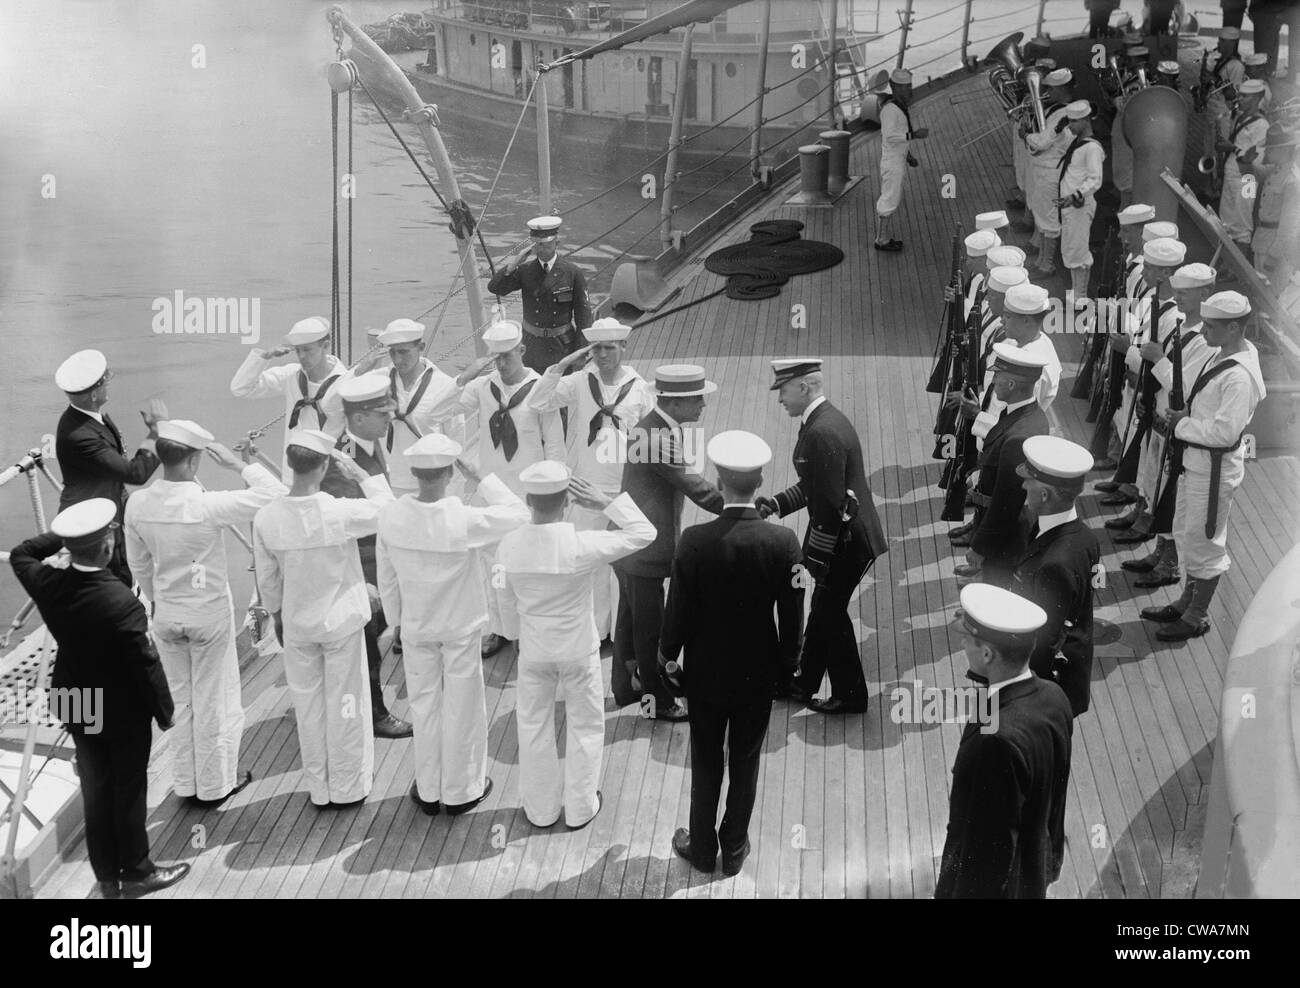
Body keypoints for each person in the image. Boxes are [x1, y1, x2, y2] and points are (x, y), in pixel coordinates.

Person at [10, 499, 187, 899]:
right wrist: (165, 712)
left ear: (73, 547)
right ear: (108, 545)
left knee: (95, 787)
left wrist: (66, 536)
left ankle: (107, 877)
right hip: (120, 710)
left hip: (76, 697)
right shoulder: (121, 601)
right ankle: (138, 872)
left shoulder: (47, 582)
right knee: (127, 789)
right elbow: (145, 664)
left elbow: (22, 553)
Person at [660, 431, 804, 876]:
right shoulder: (784, 543)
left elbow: (677, 613)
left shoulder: (693, 540)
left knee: (705, 762)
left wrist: (670, 662)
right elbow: (793, 617)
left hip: (704, 675)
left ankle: (701, 849)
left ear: (719, 481)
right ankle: (735, 848)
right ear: (760, 480)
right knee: (746, 761)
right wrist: (786, 669)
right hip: (756, 676)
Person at [124, 419, 286, 804]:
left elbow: (140, 565)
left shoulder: (136, 503)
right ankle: (214, 786)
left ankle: (185, 783)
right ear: (195, 460)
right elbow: (277, 495)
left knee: (181, 702)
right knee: (216, 701)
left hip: (165, 615)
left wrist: (157, 598)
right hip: (207, 615)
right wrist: (238, 465)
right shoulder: (207, 505)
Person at [496, 461, 656, 828]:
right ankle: (581, 807)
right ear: (567, 502)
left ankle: (540, 810)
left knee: (533, 726)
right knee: (585, 725)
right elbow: (644, 533)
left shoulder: (508, 546)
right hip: (578, 649)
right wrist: (605, 503)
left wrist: (516, 634)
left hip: (534, 649)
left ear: (528, 499)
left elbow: (503, 599)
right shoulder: (581, 544)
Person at [376, 434, 530, 816]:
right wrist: (482, 479)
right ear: (449, 473)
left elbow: (387, 577)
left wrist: (395, 623)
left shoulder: (391, 516)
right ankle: (461, 790)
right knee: (463, 707)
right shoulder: (465, 518)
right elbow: (520, 514)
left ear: (413, 472)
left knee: (424, 707)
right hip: (460, 628)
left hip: (415, 626)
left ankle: (428, 790)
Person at [252, 428, 396, 807]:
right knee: (347, 704)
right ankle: (348, 787)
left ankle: (319, 787)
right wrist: (361, 474)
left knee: (310, 709)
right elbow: (387, 509)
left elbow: (268, 579)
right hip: (340, 624)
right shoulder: (337, 511)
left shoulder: (266, 518)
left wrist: (278, 614)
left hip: (298, 625)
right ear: (325, 465)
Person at [758, 359, 888, 714]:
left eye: (783, 391)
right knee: (825, 610)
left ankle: (851, 695)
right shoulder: (821, 421)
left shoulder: (821, 432)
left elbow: (830, 506)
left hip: (847, 542)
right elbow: (815, 485)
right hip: (848, 537)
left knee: (829, 614)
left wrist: (812, 563)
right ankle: (804, 684)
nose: (780, 399)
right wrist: (776, 504)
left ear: (804, 387)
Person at [434, 319, 565, 658]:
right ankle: (500, 629)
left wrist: (555, 488)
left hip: (528, 490)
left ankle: (530, 631)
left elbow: (554, 444)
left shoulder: (541, 388)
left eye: (507, 356)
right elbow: (437, 410)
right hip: (491, 489)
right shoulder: (482, 388)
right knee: (493, 567)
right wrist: (464, 377)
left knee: (530, 565)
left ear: (521, 350)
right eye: (495, 357)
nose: (502, 363)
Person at [935, 583, 1073, 899]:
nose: (963, 648)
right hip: (1034, 866)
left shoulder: (997, 744)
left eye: (966, 641)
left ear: (987, 653)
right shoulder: (1054, 697)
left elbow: (986, 855)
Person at [1142, 291, 1266, 641]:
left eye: (1211, 326)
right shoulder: (1225, 352)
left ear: (1233, 328)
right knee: (1186, 531)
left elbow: (1224, 432)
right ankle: (1186, 600)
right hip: (1195, 463)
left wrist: (1181, 423)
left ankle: (1196, 615)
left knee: (1206, 543)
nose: (1204, 331)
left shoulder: (1239, 377)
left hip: (1212, 471)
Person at [527, 317, 655, 641]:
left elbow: (650, 444)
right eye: (596, 349)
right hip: (586, 486)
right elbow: (539, 401)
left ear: (623, 347)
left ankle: (622, 632)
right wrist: (562, 364)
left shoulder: (640, 389)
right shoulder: (581, 382)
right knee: (590, 564)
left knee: (624, 567)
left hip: (623, 489)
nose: (602, 355)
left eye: (609, 348)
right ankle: (597, 632)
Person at [611, 365, 725, 718]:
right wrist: (743, 503)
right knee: (650, 629)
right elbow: (697, 489)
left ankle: (626, 689)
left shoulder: (652, 427)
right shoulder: (658, 438)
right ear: (674, 403)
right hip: (644, 549)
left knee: (630, 619)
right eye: (697, 398)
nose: (703, 404)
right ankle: (658, 702)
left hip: (628, 541)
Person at [319, 372, 414, 739]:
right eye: (383, 414)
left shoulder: (371, 444)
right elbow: (346, 529)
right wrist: (364, 582)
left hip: (377, 559)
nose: (390, 418)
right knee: (366, 644)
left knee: (371, 639)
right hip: (360, 566)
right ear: (358, 418)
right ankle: (373, 714)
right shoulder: (343, 463)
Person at [1120, 262, 1218, 588]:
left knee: (1172, 499)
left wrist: (1159, 358)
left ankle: (1170, 564)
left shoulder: (1205, 341)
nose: (1179, 298)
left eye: (1186, 294)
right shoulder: (1179, 325)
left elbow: (1186, 387)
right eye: (1177, 292)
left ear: (1205, 294)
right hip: (1162, 422)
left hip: (1180, 427)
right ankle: (1160, 552)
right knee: (1157, 488)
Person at [53, 348, 165, 586]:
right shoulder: (80, 435)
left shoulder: (87, 418)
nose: (109, 383)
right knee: (110, 580)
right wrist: (156, 431)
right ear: (94, 395)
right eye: (106, 381)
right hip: (91, 521)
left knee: (119, 573)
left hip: (107, 506)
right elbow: (136, 473)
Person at [1013, 436, 1100, 717]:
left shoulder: (1055, 565)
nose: (1024, 485)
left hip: (1047, 686)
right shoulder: (1084, 536)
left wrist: (1018, 692)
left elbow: (1045, 641)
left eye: (1030, 481)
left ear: (1045, 494)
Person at [1107, 236, 1187, 541]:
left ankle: (1150, 519)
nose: (1145, 272)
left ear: (1166, 274)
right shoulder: (1155, 304)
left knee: (1159, 468)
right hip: (1148, 396)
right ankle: (1141, 507)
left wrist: (1129, 351)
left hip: (1163, 401)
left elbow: (1157, 361)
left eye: (1151, 268)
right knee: (1147, 461)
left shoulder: (1172, 316)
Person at [955, 339, 1051, 589]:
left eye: (997, 377)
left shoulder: (1019, 434)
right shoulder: (1024, 414)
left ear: (1011, 383)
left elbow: (1006, 505)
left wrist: (979, 547)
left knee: (996, 588)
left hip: (1005, 538)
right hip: (1002, 528)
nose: (993, 382)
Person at [352, 317, 465, 497]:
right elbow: (337, 400)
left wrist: (451, 496)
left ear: (421, 348)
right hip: (385, 482)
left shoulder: (444, 385)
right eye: (393, 353)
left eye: (404, 352)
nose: (397, 359)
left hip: (429, 485)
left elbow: (457, 441)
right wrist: (361, 369)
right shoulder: (378, 381)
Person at [229, 316, 352, 479]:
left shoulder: (347, 382)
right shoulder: (291, 376)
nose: (301, 356)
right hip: (294, 472)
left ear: (326, 346)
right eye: (297, 350)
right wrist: (265, 357)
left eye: (307, 350)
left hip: (333, 473)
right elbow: (240, 388)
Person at [486, 215, 593, 374]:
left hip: (561, 347)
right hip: (531, 347)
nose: (541, 249)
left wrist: (581, 353)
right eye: (537, 245)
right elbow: (496, 288)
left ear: (557, 243)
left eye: (546, 244)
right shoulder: (525, 270)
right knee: (531, 392)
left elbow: (583, 316)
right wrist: (514, 264)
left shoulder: (572, 272)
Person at [1025, 68, 1077, 275]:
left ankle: (1047, 265)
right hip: (1043, 170)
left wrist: (1028, 135)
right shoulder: (1058, 110)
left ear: (1062, 88)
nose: (1047, 92)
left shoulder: (1065, 114)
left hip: (1051, 173)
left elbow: (1044, 141)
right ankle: (1040, 260)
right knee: (1042, 216)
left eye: (1051, 89)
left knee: (1049, 221)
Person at [1054, 101, 1105, 310]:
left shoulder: (1091, 148)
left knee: (1078, 251)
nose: (1070, 126)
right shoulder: (1078, 142)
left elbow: (1095, 179)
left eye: (1074, 121)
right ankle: (1075, 296)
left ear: (1085, 120)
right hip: (1070, 206)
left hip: (1079, 206)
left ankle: (1081, 298)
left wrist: (1075, 195)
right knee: (1070, 248)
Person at [873, 68, 929, 252]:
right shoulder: (890, 110)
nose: (909, 91)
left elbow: (897, 139)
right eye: (905, 87)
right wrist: (915, 135)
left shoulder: (898, 105)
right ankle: (881, 239)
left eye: (910, 86)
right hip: (892, 163)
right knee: (890, 198)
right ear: (894, 87)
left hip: (897, 158)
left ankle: (883, 237)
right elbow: (890, 136)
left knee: (891, 197)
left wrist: (909, 156)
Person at [1217, 80, 1270, 260]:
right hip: (1232, 175)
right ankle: (1229, 264)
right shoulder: (1241, 117)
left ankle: (1241, 270)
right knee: (1226, 223)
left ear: (1256, 98)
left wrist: (1232, 148)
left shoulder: (1261, 126)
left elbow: (1254, 158)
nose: (1240, 99)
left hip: (1247, 179)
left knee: (1243, 224)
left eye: (1244, 96)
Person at [1254, 126, 1300, 288]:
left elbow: (1290, 226)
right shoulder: (1276, 171)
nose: (1266, 153)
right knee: (1260, 294)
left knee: (1272, 298)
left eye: (1270, 149)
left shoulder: (1292, 181)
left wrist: (1274, 255)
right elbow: (1256, 172)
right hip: (1262, 241)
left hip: (1275, 249)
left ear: (1284, 150)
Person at [1205, 27, 1245, 143]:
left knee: (1221, 147)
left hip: (1224, 115)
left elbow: (1233, 95)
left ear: (1232, 43)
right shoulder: (1221, 60)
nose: (1218, 43)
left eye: (1222, 40)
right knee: (1209, 147)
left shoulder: (1237, 66)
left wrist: (1215, 79)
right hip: (1212, 110)